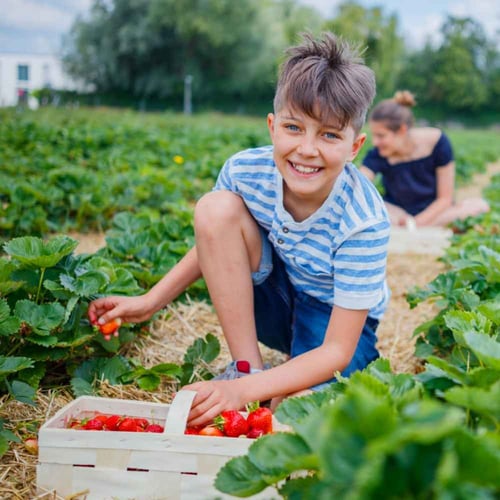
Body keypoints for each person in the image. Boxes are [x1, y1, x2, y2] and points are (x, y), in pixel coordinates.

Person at [88, 33, 390, 427]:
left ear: (355, 146)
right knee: (215, 209)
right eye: (294, 128)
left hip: (333, 318)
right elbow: (214, 241)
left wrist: (239, 397)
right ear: (272, 126)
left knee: (296, 409)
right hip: (275, 298)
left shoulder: (363, 219)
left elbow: (335, 350)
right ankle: (247, 368)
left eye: (329, 135)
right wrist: (150, 301)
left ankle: (255, 386)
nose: (307, 149)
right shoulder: (246, 171)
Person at [360, 91, 489, 228]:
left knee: (480, 206)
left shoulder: (438, 143)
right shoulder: (378, 153)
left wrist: (416, 222)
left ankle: (410, 227)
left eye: (381, 136)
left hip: (434, 212)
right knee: (377, 207)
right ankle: (411, 226)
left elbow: (445, 199)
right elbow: (359, 185)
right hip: (398, 214)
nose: (375, 142)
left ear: (402, 130)